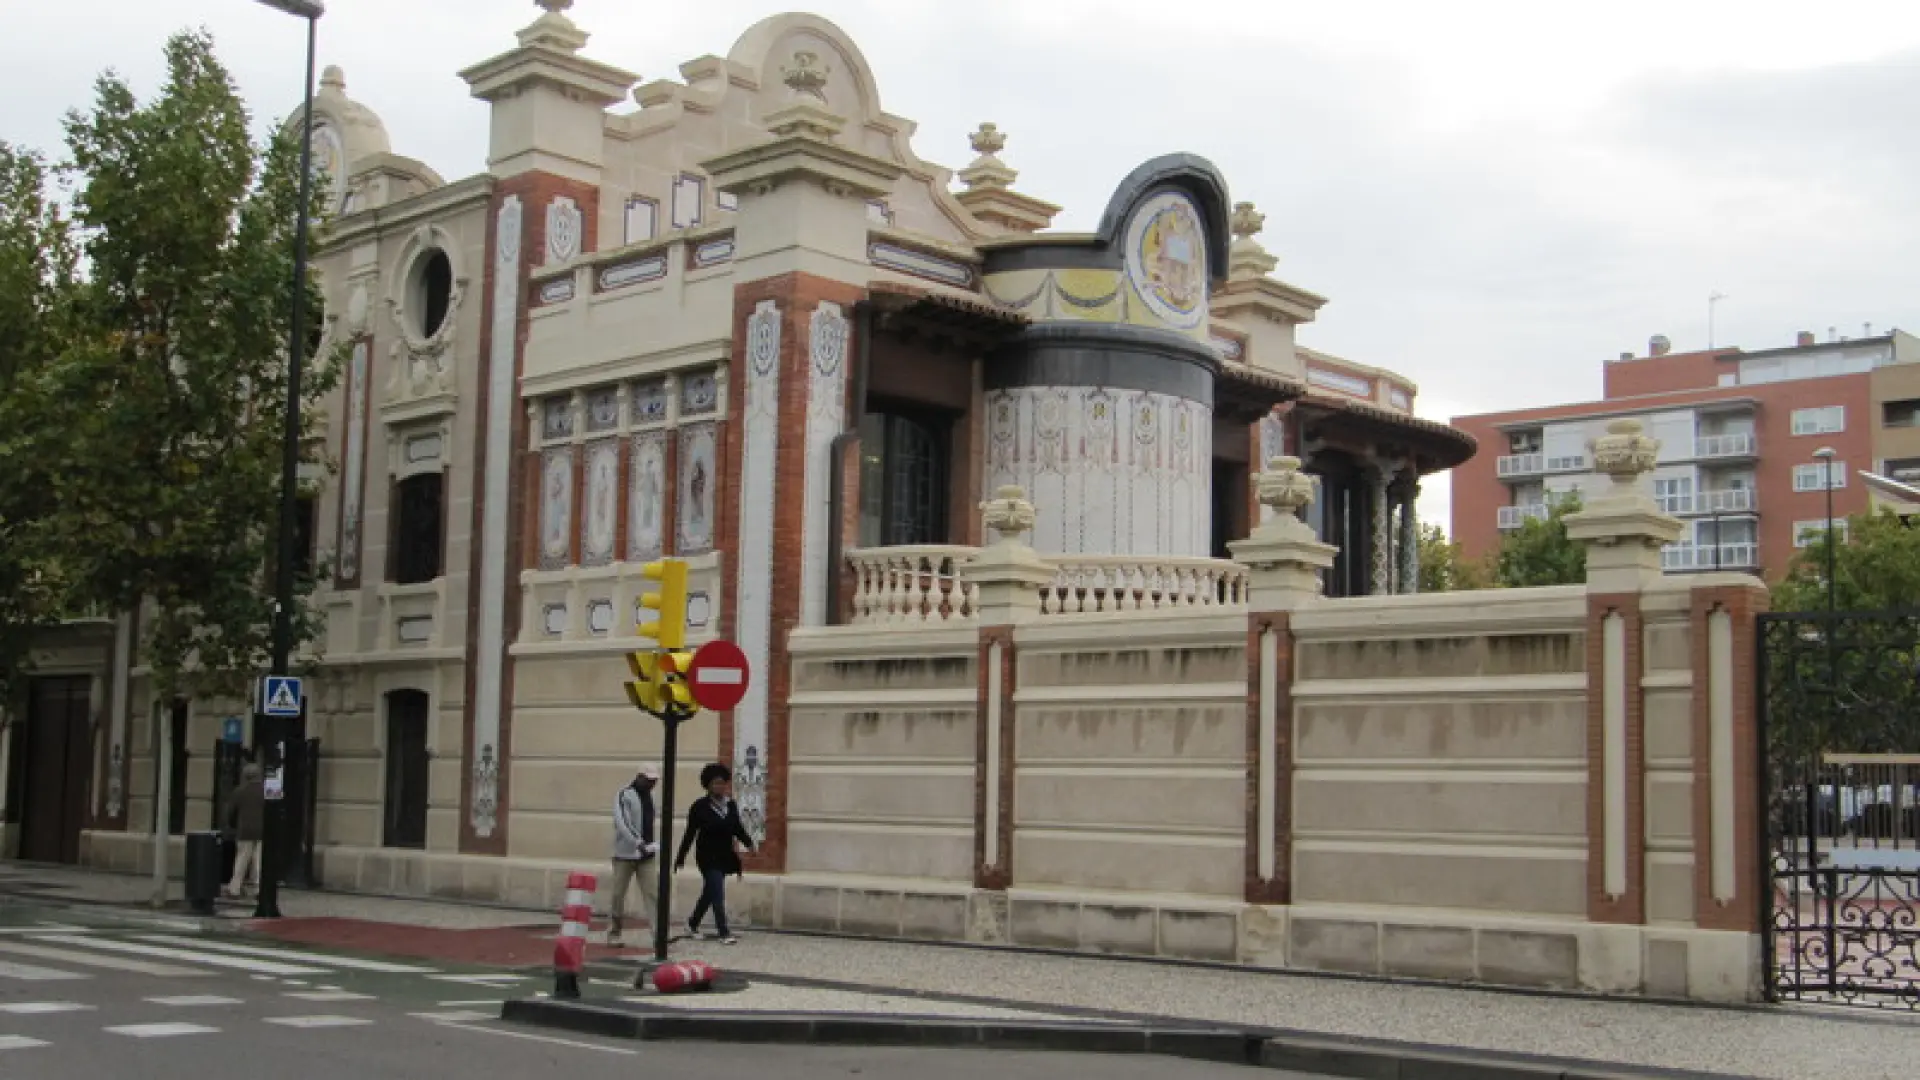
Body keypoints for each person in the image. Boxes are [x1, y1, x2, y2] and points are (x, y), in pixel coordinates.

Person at [675, 762, 754, 944]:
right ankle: (723, 931)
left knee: (710, 892)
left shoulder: (731, 806)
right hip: (707, 855)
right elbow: (690, 834)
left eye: (722, 783)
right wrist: (681, 857)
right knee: (717, 891)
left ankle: (692, 923)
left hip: (724, 855)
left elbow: (737, 828)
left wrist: (748, 843)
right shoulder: (700, 807)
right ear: (708, 785)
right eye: (715, 783)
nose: (719, 787)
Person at [607, 764, 659, 948]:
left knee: (653, 893)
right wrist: (638, 842)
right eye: (649, 780)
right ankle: (614, 932)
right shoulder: (624, 794)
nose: (652, 784)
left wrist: (651, 845)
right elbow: (622, 822)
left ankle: (658, 934)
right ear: (639, 777)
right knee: (618, 895)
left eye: (654, 781)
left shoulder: (651, 798)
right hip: (625, 854)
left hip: (647, 855)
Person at [224, 762, 265, 899]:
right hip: (263, 831)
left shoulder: (239, 791)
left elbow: (231, 812)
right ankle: (259, 889)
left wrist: (231, 825)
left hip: (244, 830)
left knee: (241, 860)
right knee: (258, 861)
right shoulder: (267, 791)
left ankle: (234, 888)